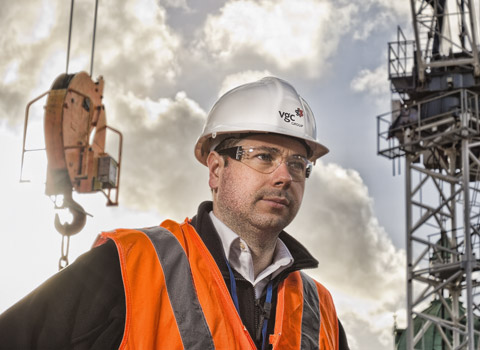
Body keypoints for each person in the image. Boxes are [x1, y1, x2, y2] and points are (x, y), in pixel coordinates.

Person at [0, 77, 349, 349]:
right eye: (264, 156)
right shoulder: (130, 265)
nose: (285, 176)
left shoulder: (320, 310)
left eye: (298, 163)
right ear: (216, 169)